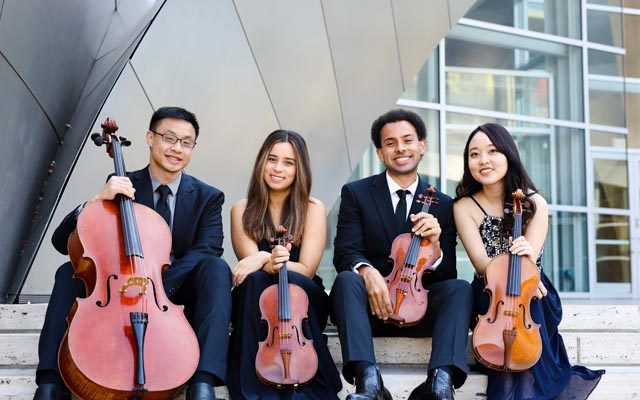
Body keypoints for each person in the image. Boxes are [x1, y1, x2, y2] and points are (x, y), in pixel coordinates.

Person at [33, 106, 232, 400]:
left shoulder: (209, 197)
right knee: (68, 271)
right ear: (150, 138)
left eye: (186, 142)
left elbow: (208, 247)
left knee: (217, 267)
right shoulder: (122, 184)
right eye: (169, 138)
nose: (177, 148)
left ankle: (203, 382)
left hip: (173, 296)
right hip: (119, 293)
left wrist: (155, 284)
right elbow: (62, 242)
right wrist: (96, 200)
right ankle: (50, 382)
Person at [453, 123, 605, 399]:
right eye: (474, 154)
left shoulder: (536, 203)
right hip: (490, 294)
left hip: (530, 290)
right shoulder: (464, 206)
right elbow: (481, 264)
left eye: (492, 151)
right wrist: (510, 261)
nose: (483, 160)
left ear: (509, 154)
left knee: (529, 302)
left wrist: (526, 259)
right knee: (511, 334)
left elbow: (529, 267)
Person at [331, 109, 473, 400]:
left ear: (422, 145)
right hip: (371, 310)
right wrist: (366, 271)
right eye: (390, 143)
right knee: (347, 280)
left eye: (407, 140)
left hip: (419, 309)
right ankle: (368, 382)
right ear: (380, 153)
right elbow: (346, 250)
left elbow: (447, 273)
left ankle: (440, 383)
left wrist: (436, 247)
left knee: (460, 289)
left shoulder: (444, 204)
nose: (400, 149)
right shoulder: (356, 193)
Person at [227, 130, 342, 399]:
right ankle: (251, 387)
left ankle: (306, 378)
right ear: (261, 163)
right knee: (255, 280)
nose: (278, 168)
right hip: (258, 303)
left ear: (299, 169)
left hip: (303, 299)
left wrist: (262, 257)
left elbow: (307, 270)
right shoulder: (241, 209)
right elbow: (249, 267)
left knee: (291, 281)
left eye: (288, 163)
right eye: (272, 159)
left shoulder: (313, 208)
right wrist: (263, 260)